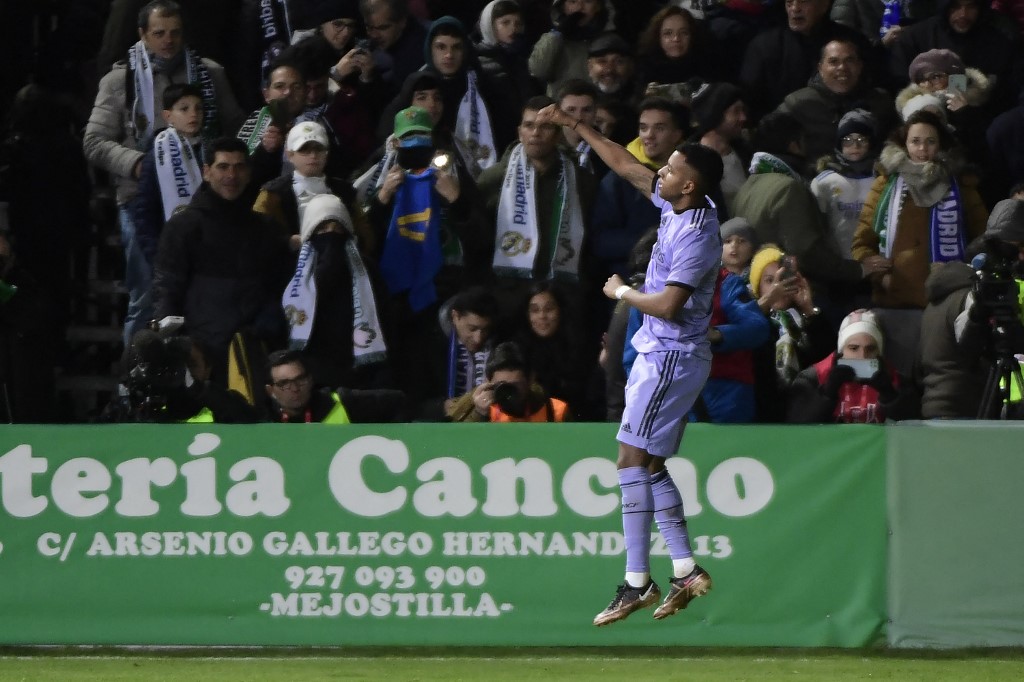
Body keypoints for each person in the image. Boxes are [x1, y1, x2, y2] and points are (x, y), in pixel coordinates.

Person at [534, 102, 724, 624]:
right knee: (650, 465)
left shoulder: (698, 237)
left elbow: (668, 305)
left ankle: (638, 581)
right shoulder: (677, 207)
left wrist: (623, 291)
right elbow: (624, 163)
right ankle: (684, 569)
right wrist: (577, 126)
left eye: (670, 169)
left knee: (628, 462)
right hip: (662, 355)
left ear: (689, 185)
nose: (659, 171)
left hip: (670, 356)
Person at [84, 0, 243, 349]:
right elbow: (93, 141)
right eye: (159, 33)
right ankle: (135, 385)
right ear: (142, 34)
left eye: (174, 33)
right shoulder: (119, 79)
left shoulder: (208, 73)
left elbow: (235, 127)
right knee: (146, 295)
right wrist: (140, 164)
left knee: (203, 294)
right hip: (140, 198)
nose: (168, 41)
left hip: (205, 202)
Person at [851, 109, 988, 375]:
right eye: (915, 141)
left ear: (942, 144)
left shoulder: (961, 186)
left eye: (930, 141)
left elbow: (983, 239)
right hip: (895, 306)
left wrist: (960, 276)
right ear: (904, 144)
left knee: (940, 383)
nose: (922, 148)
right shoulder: (885, 185)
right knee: (895, 384)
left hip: (944, 307)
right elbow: (861, 244)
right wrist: (880, 277)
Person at [152, 137, 293, 383]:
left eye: (239, 167)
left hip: (255, 354)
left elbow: (278, 286)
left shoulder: (266, 229)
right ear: (206, 172)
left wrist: (268, 326)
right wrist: (177, 344)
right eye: (223, 166)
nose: (232, 175)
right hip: (202, 354)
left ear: (249, 173)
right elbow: (167, 288)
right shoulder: (183, 227)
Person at [477, 96, 596, 312]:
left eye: (545, 127)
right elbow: (478, 238)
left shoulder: (581, 181)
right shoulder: (492, 180)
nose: (535, 133)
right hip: (508, 294)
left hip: (564, 295)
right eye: (529, 125)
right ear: (519, 131)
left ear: (559, 134)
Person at [919, 198, 1024, 418]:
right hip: (964, 408)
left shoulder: (943, 290)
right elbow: (970, 347)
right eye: (1017, 248)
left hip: (941, 405)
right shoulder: (969, 294)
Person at [282, 193, 390, 389]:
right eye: (322, 228)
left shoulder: (366, 268)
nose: (331, 235)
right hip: (310, 371)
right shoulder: (293, 271)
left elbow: (385, 315)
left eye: (338, 228)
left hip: (359, 370)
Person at [775, 39, 894, 177]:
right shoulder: (797, 103)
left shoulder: (880, 101)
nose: (842, 67)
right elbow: (770, 140)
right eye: (833, 62)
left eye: (849, 60)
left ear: (860, 66)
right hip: (815, 187)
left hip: (873, 185)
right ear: (820, 68)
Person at [130, 83, 205, 268]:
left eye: (199, 108)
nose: (193, 114)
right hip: (169, 253)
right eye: (184, 108)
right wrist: (156, 258)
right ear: (167, 116)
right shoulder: (157, 155)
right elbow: (145, 213)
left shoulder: (211, 151)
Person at [511, 281, 591, 419]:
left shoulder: (580, 348)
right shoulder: (516, 352)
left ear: (560, 310)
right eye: (535, 310)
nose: (542, 316)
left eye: (549, 309)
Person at [263, 349, 406, 422]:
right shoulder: (264, 423)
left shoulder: (341, 402)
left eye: (300, 379)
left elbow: (399, 402)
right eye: (284, 384)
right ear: (270, 391)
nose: (294, 388)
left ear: (311, 379)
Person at [236, 58, 309, 197]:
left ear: (306, 92)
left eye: (296, 86)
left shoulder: (319, 122)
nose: (288, 92)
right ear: (266, 95)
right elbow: (243, 177)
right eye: (280, 86)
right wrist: (267, 151)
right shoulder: (254, 121)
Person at [447, 341, 569, 422]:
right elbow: (459, 448)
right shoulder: (477, 409)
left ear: (531, 379)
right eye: (502, 385)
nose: (509, 391)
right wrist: (479, 414)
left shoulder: (555, 411)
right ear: (488, 381)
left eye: (516, 385)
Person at [690, 81, 751, 216]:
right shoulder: (691, 164)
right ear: (714, 114)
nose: (743, 117)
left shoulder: (746, 153)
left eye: (743, 111)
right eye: (736, 111)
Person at [528, 0, 613, 95]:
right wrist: (558, 34)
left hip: (600, 105)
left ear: (598, 6)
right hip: (561, 106)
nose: (579, 7)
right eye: (573, 2)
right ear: (562, 7)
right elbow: (538, 70)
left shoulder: (609, 40)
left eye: (587, 1)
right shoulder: (553, 38)